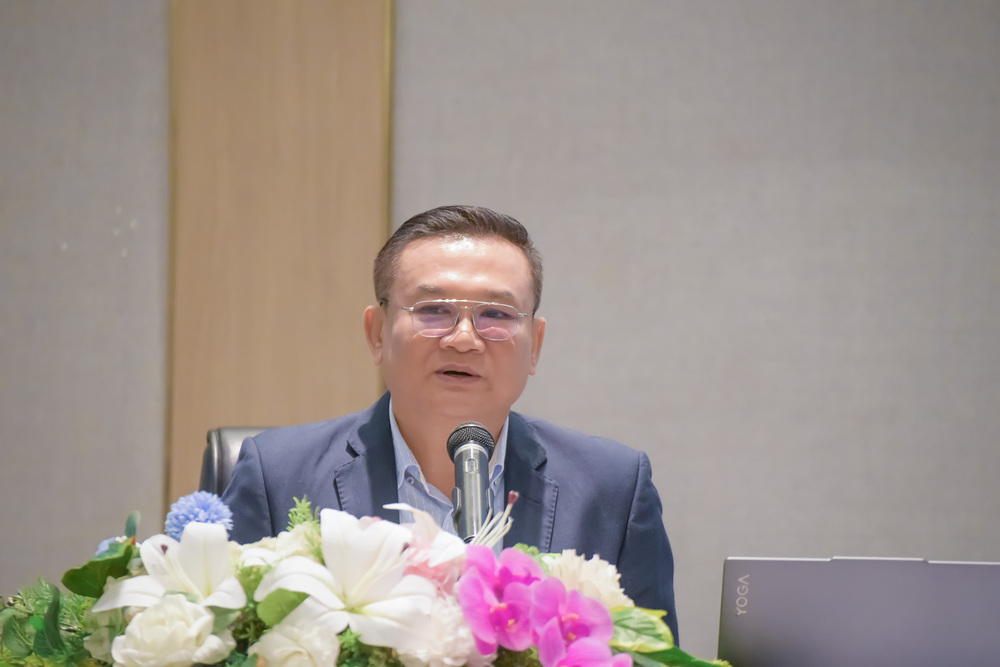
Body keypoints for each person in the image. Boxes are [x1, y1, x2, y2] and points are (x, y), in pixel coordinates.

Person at [221, 205, 679, 641]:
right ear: (377, 333)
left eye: (496, 315)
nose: (463, 339)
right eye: (433, 311)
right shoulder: (278, 475)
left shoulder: (613, 488)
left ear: (535, 346)